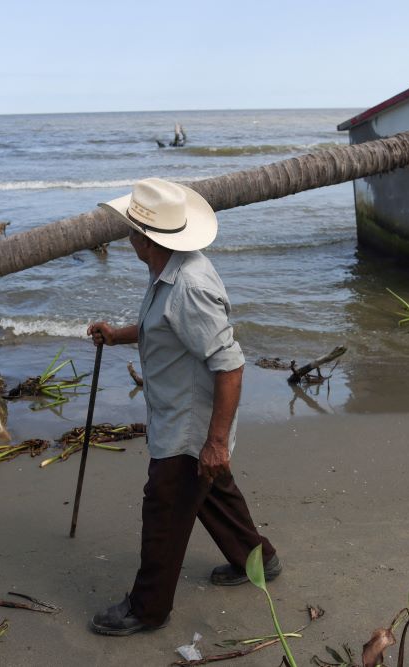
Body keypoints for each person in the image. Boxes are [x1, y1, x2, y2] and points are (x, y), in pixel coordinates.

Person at [86, 177, 281, 636]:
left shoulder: (188, 285)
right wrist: (118, 335)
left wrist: (214, 442)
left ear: (146, 239)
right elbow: (165, 327)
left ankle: (147, 608)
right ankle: (259, 559)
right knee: (213, 495)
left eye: (132, 229)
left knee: (165, 510)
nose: (127, 236)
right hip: (183, 417)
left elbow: (230, 365)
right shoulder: (167, 271)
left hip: (190, 430)